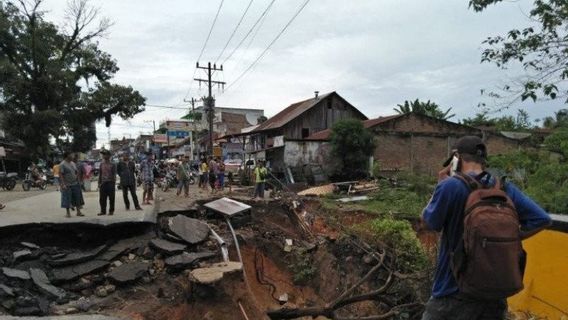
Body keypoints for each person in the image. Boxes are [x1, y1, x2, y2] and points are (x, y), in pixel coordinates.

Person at [421, 136, 552, 320]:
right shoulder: (504, 188)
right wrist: (510, 237)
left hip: (452, 292)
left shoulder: (450, 186)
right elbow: (542, 219)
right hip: (494, 295)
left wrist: (439, 185)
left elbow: (428, 223)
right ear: (483, 161)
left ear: (456, 158)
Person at [59, 151, 84, 218]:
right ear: (67, 155)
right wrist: (63, 184)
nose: (73, 156)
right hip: (67, 184)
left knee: (77, 197)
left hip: (75, 183)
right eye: (71, 154)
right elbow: (61, 174)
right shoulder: (62, 164)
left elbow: (76, 172)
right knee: (67, 198)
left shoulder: (73, 163)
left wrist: (79, 180)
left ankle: (78, 212)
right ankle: (68, 213)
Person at [97, 150, 117, 216]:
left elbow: (114, 174)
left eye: (105, 154)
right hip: (103, 183)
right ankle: (103, 211)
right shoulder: (101, 164)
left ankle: (111, 211)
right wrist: (99, 183)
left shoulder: (113, 164)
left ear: (109, 155)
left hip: (110, 183)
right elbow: (100, 174)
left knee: (111, 198)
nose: (103, 156)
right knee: (102, 198)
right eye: (103, 154)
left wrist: (113, 183)